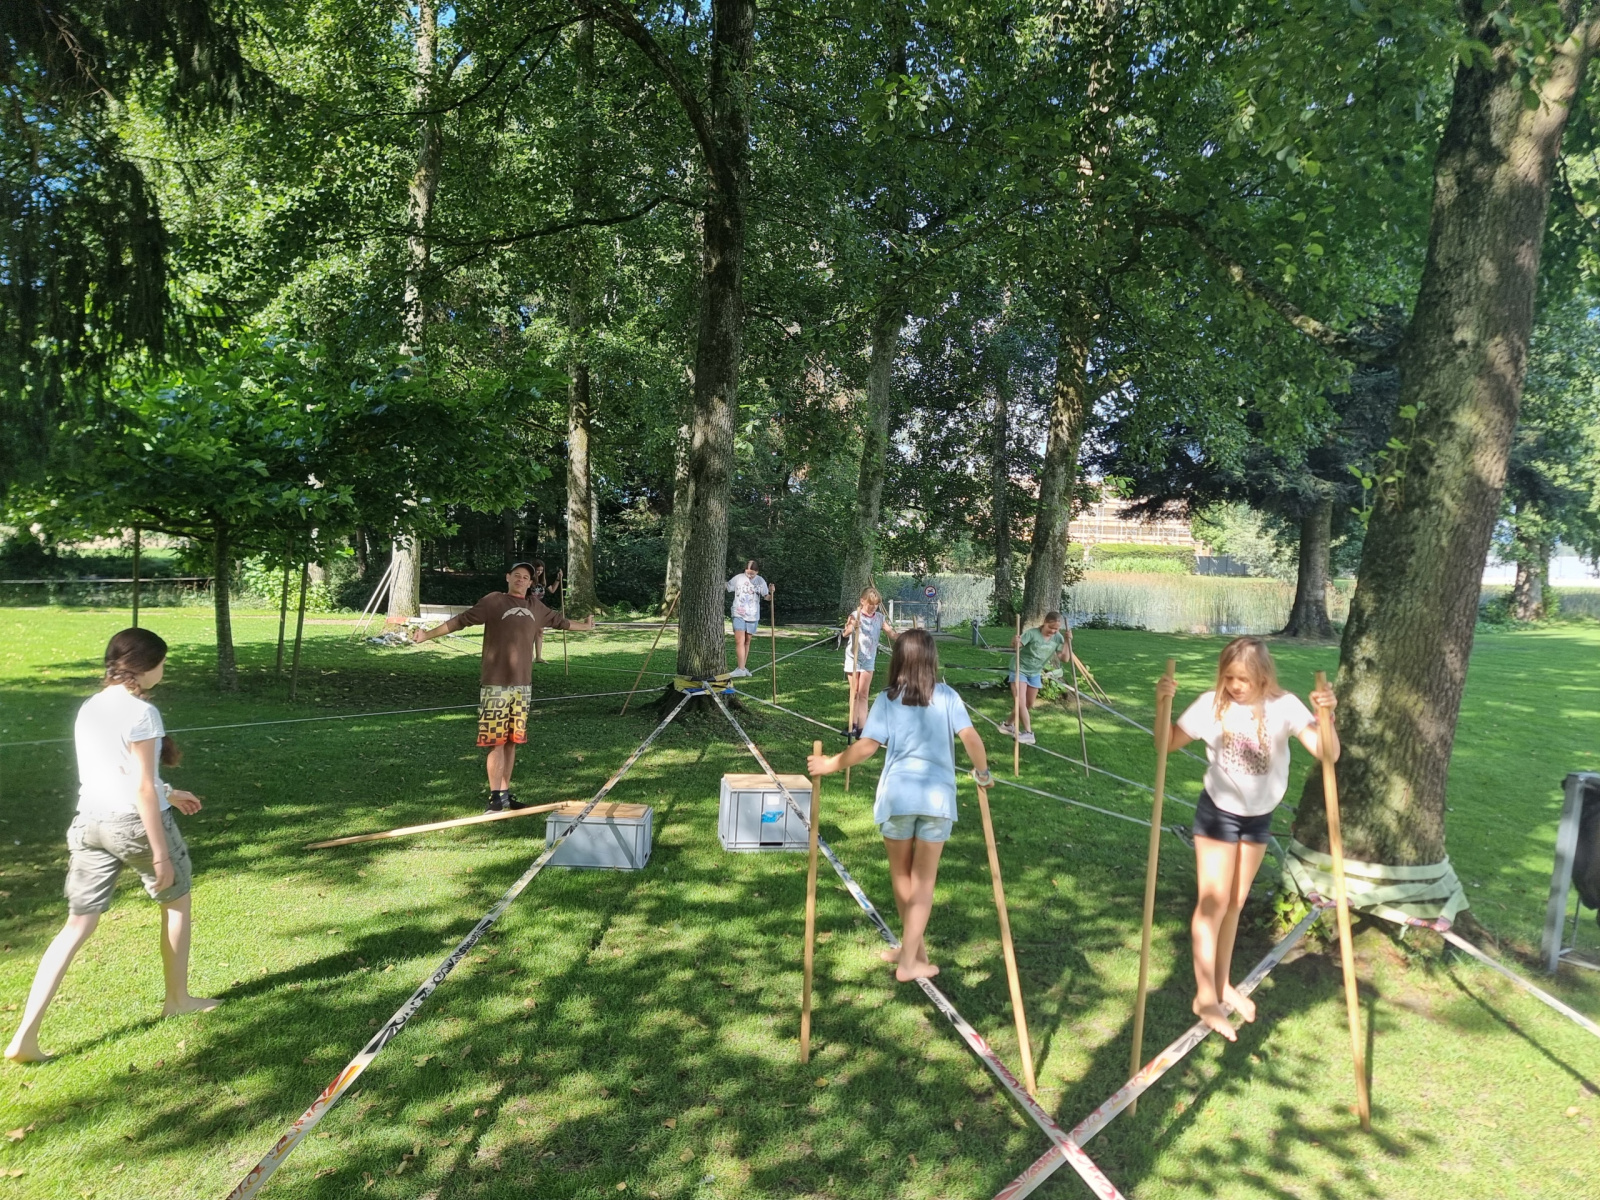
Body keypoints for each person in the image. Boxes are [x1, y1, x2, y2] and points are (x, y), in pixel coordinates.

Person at [6, 629, 218, 1063]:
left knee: (76, 926)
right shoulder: (143, 712)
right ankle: (177, 1000)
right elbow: (141, 788)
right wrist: (160, 852)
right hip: (134, 825)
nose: (163, 670)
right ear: (146, 666)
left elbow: (117, 771)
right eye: (162, 663)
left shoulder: (92, 706)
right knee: (176, 904)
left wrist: (170, 791)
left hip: (90, 822)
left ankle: (24, 1036)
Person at [1155, 636, 1338, 1041]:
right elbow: (1165, 744)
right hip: (1218, 814)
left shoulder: (1285, 706)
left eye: (1244, 679)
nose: (1235, 686)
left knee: (1235, 903)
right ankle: (1204, 997)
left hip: (1258, 818)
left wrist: (1326, 717)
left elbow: (1328, 753)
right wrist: (1162, 703)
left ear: (1263, 676)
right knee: (1213, 902)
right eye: (1229, 677)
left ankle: (1222, 985)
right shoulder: (1211, 705)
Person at [809, 629, 991, 983]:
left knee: (903, 877)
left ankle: (909, 955)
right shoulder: (947, 696)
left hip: (898, 798)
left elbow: (867, 746)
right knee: (920, 882)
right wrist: (982, 774)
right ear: (932, 659)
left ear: (899, 661)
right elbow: (971, 738)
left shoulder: (888, 699)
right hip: (936, 801)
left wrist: (830, 764)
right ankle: (911, 957)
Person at [412, 562, 595, 811]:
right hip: (495, 685)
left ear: (531, 583)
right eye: (516, 575)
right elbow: (460, 621)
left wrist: (586, 625)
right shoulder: (494, 601)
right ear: (508, 577)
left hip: (523, 686)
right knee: (496, 741)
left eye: (526, 577)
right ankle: (494, 797)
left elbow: (561, 622)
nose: (521, 579)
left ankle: (505, 794)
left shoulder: (536, 607)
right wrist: (426, 635)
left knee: (512, 741)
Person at [998, 610, 1072, 745]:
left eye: (1056, 629)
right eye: (1051, 627)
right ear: (1045, 622)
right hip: (1019, 669)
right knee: (1020, 702)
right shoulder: (1032, 633)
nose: (1053, 631)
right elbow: (1016, 646)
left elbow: (1065, 658)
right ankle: (1028, 733)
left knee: (1028, 704)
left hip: (1035, 673)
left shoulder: (1058, 638)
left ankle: (1007, 725)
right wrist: (1015, 641)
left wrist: (1067, 641)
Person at [841, 585, 897, 739]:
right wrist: (853, 626)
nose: (873, 607)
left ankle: (862, 728)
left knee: (863, 694)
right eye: (870, 604)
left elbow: (892, 634)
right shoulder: (855, 615)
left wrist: (907, 637)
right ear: (862, 601)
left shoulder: (879, 618)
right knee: (854, 692)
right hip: (853, 658)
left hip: (868, 659)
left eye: (876, 605)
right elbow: (845, 633)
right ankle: (852, 725)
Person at [725, 560, 772, 678]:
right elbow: (728, 586)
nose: (750, 576)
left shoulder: (760, 581)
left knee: (747, 641)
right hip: (738, 612)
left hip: (753, 615)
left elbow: (766, 597)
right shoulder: (738, 578)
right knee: (739, 641)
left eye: (752, 573)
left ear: (757, 572)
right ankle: (741, 669)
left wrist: (772, 593)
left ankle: (742, 667)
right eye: (748, 573)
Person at [528, 561, 563, 665]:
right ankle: (529, 655)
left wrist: (558, 579)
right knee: (531, 632)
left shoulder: (543, 581)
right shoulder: (528, 579)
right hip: (530, 608)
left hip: (541, 609)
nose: (539, 572)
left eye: (541, 570)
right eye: (537, 570)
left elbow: (552, 590)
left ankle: (539, 657)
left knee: (540, 631)